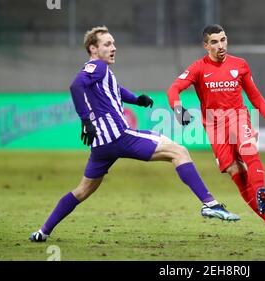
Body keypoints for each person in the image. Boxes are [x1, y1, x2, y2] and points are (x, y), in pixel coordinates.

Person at [29, 26, 239, 242]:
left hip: (101, 146)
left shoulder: (100, 71)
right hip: (120, 137)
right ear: (93, 49)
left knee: (82, 191)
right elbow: (75, 86)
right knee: (179, 152)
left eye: (113, 43)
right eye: (107, 44)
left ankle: (42, 232)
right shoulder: (97, 66)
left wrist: (136, 99)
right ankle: (210, 204)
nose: (114, 48)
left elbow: (116, 90)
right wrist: (85, 121)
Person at [167, 24, 265, 239]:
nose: (221, 45)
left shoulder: (240, 65)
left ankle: (261, 191)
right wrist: (178, 110)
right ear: (206, 45)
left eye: (223, 39)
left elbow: (254, 95)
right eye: (215, 42)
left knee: (248, 149)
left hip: (238, 117)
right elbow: (174, 89)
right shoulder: (198, 68)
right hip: (214, 126)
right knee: (236, 172)